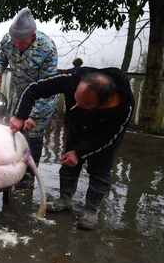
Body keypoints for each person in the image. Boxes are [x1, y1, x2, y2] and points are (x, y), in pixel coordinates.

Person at [9, 67, 135, 230]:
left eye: (83, 104)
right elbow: (33, 89)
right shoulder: (73, 78)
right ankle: (65, 199)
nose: (75, 105)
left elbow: (109, 138)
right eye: (75, 98)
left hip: (104, 134)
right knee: (69, 162)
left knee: (100, 169)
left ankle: (91, 210)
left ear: (103, 103)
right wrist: (20, 116)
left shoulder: (123, 106)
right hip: (77, 126)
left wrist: (80, 153)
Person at [0, 7, 58, 189]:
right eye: (15, 41)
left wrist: (33, 117)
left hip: (40, 100)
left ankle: (27, 177)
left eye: (22, 42)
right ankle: (12, 168)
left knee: (32, 136)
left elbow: (49, 87)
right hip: (18, 96)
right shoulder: (8, 40)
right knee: (13, 131)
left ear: (32, 35)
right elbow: (0, 56)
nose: (17, 45)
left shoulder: (47, 48)